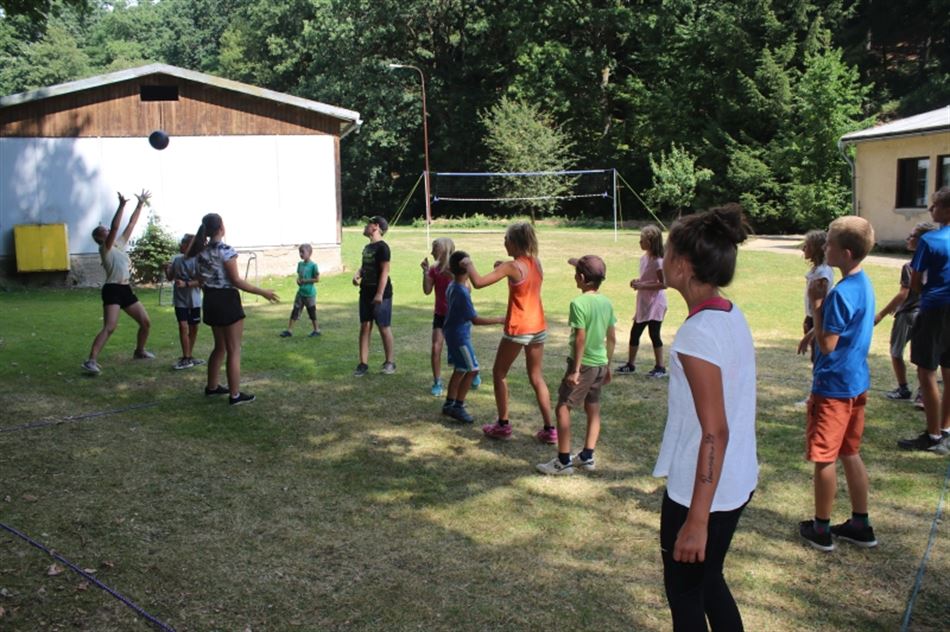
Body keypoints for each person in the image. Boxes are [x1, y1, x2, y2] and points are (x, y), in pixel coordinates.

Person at [652, 204, 757, 631]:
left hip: (702, 493)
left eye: (666, 252)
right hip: (733, 482)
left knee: (686, 595)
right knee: (709, 580)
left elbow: (715, 431)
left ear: (680, 265)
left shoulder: (696, 335)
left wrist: (697, 520)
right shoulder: (729, 312)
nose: (660, 260)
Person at [797, 215, 878, 552]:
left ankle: (821, 529)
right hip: (856, 383)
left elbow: (829, 345)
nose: (824, 247)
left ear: (845, 253)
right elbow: (844, 329)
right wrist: (815, 329)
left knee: (825, 457)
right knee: (849, 451)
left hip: (833, 388)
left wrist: (817, 306)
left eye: (829, 243)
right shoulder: (863, 283)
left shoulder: (840, 293)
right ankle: (860, 524)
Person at [463, 222, 556, 442]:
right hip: (537, 326)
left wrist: (468, 263)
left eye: (506, 239)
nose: (504, 243)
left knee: (499, 373)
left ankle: (503, 425)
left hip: (519, 328)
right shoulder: (536, 262)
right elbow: (521, 278)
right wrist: (502, 267)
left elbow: (478, 282)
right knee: (536, 377)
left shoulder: (511, 266)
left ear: (514, 242)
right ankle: (550, 429)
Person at [187, 213, 279, 405]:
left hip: (210, 300)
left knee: (219, 347)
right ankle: (235, 395)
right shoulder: (226, 251)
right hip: (227, 301)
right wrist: (263, 292)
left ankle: (212, 387)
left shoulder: (200, 253)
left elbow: (200, 279)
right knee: (234, 349)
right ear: (221, 228)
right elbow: (236, 281)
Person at [537, 255, 616, 475]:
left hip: (584, 365)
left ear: (581, 278)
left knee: (563, 407)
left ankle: (563, 461)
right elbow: (611, 338)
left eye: (575, 275)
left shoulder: (578, 303)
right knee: (593, 407)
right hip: (600, 364)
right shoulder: (607, 302)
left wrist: (575, 370)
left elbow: (580, 338)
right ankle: (587, 456)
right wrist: (607, 366)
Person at [898, 187, 950, 453]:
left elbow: (915, 282)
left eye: (935, 206)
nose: (931, 210)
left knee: (927, 371)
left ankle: (932, 435)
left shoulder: (930, 240)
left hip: (934, 309)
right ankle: (945, 428)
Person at [82, 190, 154, 374]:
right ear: (100, 238)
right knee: (110, 327)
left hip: (125, 289)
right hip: (112, 289)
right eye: (104, 231)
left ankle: (139, 351)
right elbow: (115, 228)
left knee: (145, 322)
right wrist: (121, 206)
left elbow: (131, 224)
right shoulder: (104, 248)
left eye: (107, 229)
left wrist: (140, 204)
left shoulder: (119, 244)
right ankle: (91, 360)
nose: (108, 231)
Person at [440, 250, 505, 423]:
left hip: (452, 333)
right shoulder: (461, 292)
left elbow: (466, 281)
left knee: (460, 369)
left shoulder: (453, 285)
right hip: (460, 337)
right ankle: (458, 407)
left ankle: (449, 404)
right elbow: (475, 320)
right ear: (466, 268)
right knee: (472, 369)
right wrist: (499, 319)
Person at [876, 222, 935, 400]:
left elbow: (904, 293)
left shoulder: (910, 266)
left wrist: (881, 314)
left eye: (912, 236)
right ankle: (922, 393)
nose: (908, 239)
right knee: (923, 355)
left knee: (896, 351)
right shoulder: (937, 264)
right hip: (928, 315)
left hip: (909, 314)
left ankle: (903, 389)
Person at [616, 225, 667, 377]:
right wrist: (638, 281)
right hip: (644, 303)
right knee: (635, 333)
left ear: (650, 242)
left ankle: (660, 367)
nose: (639, 242)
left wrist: (643, 285)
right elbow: (647, 277)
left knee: (654, 334)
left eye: (642, 240)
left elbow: (664, 284)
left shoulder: (658, 262)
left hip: (655, 304)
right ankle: (630, 364)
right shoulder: (644, 258)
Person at [353, 216, 395, 376]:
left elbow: (385, 271)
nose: (365, 226)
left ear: (376, 226)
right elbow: (365, 266)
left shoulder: (383, 248)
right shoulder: (367, 247)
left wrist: (379, 293)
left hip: (381, 294)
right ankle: (363, 363)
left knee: (383, 326)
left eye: (368, 224)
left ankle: (389, 362)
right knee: (365, 326)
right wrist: (358, 274)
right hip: (365, 291)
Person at [422, 237, 455, 396]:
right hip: (440, 314)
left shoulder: (456, 267)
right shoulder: (434, 269)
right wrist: (425, 272)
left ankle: (473, 372)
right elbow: (427, 290)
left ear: (443, 250)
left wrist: (452, 275)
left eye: (434, 249)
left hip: (456, 315)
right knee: (436, 348)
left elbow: (467, 289)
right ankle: (437, 382)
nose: (431, 252)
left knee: (459, 349)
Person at [796, 229, 835, 367]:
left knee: (818, 359)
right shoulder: (818, 270)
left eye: (807, 245)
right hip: (812, 319)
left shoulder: (822, 273)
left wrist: (811, 333)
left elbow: (821, 306)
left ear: (816, 248)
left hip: (818, 322)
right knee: (815, 358)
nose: (803, 248)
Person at [166, 233, 204, 370]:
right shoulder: (176, 260)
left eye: (183, 242)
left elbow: (201, 281)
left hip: (194, 301)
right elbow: (170, 277)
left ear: (190, 245)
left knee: (193, 328)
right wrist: (166, 269)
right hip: (180, 301)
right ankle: (186, 357)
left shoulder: (197, 261)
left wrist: (186, 284)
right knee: (183, 326)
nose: (180, 244)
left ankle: (189, 355)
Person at [280, 244, 321, 338]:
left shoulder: (313, 266)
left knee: (311, 312)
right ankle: (289, 330)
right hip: (300, 293)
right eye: (300, 252)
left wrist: (306, 281)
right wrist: (298, 281)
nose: (301, 254)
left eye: (303, 252)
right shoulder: (300, 264)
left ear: (309, 253)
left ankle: (316, 330)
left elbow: (317, 279)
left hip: (310, 294)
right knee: (295, 310)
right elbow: (300, 277)